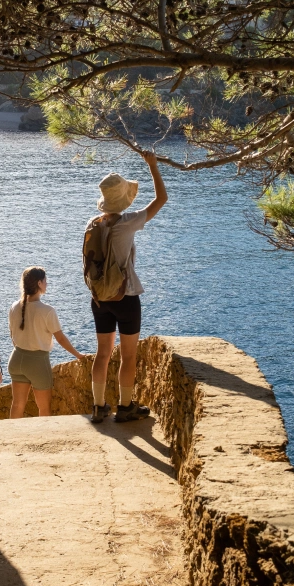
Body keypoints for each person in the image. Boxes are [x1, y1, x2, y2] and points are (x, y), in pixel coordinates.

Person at [88, 150, 168, 424]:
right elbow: (161, 199)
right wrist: (153, 166)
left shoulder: (93, 224)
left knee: (102, 353)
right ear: (122, 200)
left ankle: (98, 407)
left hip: (99, 298)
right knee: (128, 355)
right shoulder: (128, 222)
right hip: (126, 297)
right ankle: (125, 407)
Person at [8, 266, 84, 418]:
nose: (47, 283)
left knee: (17, 404)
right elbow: (60, 338)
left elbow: (13, 336)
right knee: (44, 409)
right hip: (37, 362)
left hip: (16, 359)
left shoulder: (14, 307)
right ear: (39, 283)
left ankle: (12, 439)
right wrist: (78, 355)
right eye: (45, 280)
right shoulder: (47, 310)